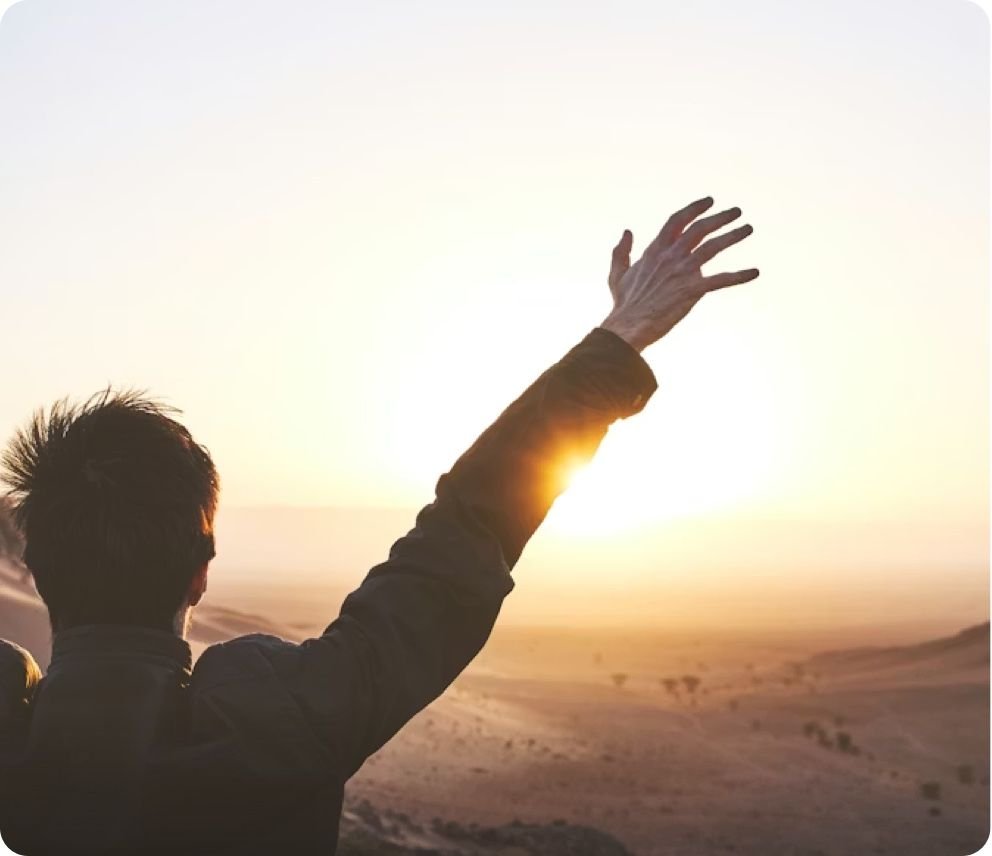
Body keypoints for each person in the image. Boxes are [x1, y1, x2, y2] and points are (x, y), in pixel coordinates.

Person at [0, 197, 757, 855]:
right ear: (203, 567)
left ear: (32, 564)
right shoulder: (281, 721)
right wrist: (618, 338)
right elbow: (468, 528)